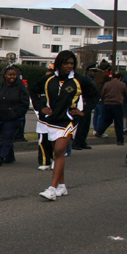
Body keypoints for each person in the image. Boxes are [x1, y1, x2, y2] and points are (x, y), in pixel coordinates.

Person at [31, 50, 99, 201]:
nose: (69, 66)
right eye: (66, 63)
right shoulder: (48, 79)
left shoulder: (80, 80)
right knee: (57, 153)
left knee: (60, 151)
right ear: (59, 63)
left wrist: (84, 111)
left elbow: (95, 95)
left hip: (69, 121)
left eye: (72, 63)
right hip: (52, 120)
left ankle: (52, 188)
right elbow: (33, 91)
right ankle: (62, 186)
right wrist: (41, 107)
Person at [0, 65, 30, 166]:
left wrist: (17, 113)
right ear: (5, 75)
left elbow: (25, 103)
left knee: (7, 136)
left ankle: (0, 155)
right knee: (7, 136)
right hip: (0, 116)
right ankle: (10, 157)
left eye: (14, 75)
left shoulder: (21, 88)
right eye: (10, 75)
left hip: (14, 118)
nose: (12, 77)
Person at [95, 72, 127, 145]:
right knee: (118, 122)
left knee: (107, 120)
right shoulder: (122, 84)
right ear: (120, 78)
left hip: (107, 104)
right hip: (117, 104)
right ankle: (119, 140)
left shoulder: (107, 84)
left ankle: (99, 131)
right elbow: (126, 94)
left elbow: (102, 94)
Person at [92, 60, 112, 134]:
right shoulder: (105, 75)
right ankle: (99, 130)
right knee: (101, 114)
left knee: (96, 114)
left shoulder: (96, 74)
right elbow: (108, 84)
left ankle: (95, 129)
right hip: (101, 95)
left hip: (95, 95)